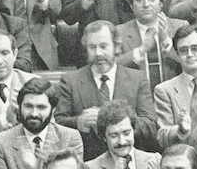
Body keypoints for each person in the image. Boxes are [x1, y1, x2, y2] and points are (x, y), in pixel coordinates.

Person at [54, 19, 157, 159]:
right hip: (87, 162)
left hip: (129, 159)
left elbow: (150, 125)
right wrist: (78, 122)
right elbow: (58, 123)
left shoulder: (137, 79)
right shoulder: (70, 81)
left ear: (117, 47)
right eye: (92, 47)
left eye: (103, 46)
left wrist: (118, 122)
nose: (98, 53)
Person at [115, 0, 187, 91]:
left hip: (175, 96)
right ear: (131, 5)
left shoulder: (180, 26)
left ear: (161, 2)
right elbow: (113, 69)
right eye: (139, 0)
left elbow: (191, 65)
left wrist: (166, 43)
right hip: (137, 98)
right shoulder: (119, 32)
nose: (146, 4)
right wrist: (140, 50)